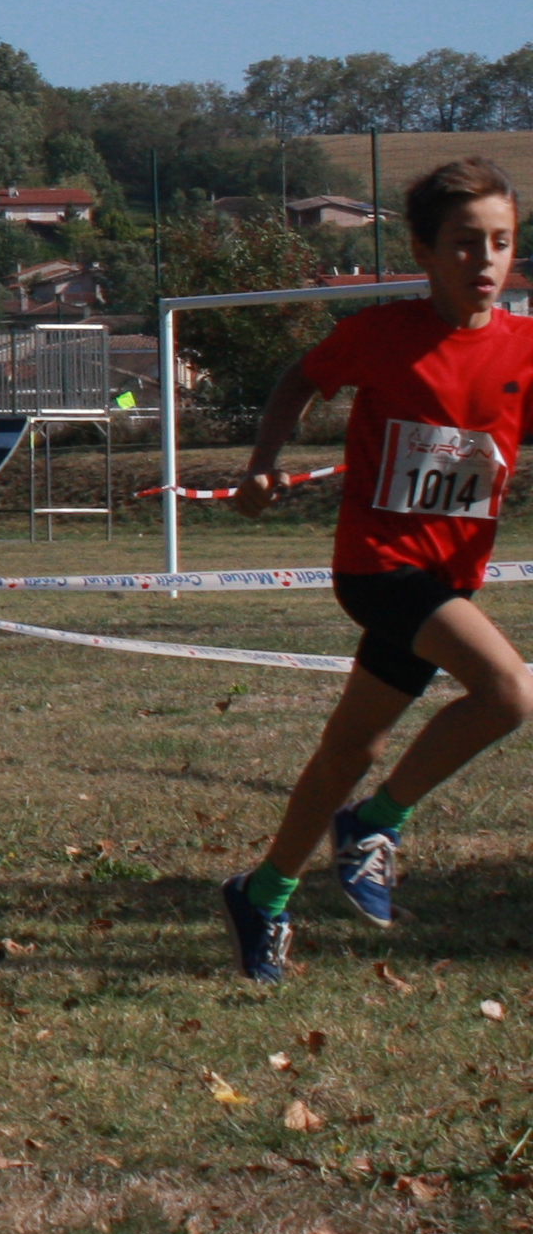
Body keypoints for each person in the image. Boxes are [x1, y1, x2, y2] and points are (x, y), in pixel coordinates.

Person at [219, 157, 533, 984]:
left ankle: (266, 892)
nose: (487, 262)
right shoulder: (381, 333)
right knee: (507, 692)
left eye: (502, 242)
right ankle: (375, 823)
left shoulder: (523, 346)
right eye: (466, 244)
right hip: (380, 568)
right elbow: (297, 381)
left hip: (449, 576)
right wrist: (262, 465)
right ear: (425, 252)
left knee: (350, 744)